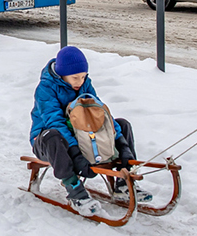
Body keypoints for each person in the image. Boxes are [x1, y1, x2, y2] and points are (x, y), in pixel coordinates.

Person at [29, 46, 138, 218]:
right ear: (62, 74)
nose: (80, 81)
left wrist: (121, 142)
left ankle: (124, 182)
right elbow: (55, 122)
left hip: (81, 138)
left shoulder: (85, 84)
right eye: (75, 77)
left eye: (83, 76)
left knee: (122, 125)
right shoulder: (46, 89)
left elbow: (102, 113)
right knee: (53, 135)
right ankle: (73, 189)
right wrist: (75, 152)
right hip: (47, 142)